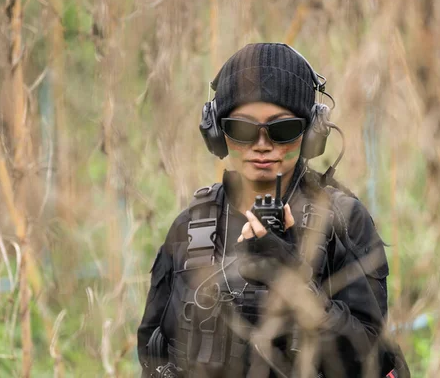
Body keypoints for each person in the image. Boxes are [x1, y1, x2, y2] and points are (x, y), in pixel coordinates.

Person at [137, 43, 407, 378]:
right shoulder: (191, 227)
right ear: (218, 132)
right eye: (242, 129)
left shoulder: (342, 222)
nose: (262, 145)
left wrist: (290, 276)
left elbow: (370, 359)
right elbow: (153, 350)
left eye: (282, 130)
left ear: (311, 133)